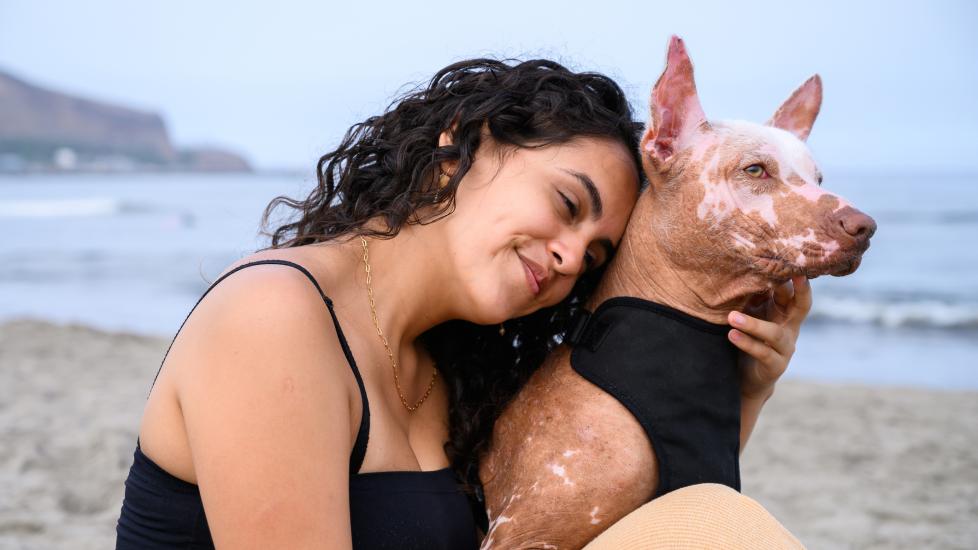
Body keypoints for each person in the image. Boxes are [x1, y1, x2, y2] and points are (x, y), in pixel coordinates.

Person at [115, 58, 810, 549]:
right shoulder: (272, 316)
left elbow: (612, 518)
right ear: (459, 148)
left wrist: (745, 390)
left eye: (595, 256)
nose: (571, 257)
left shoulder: (455, 373)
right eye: (567, 204)